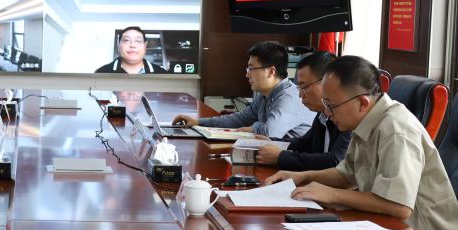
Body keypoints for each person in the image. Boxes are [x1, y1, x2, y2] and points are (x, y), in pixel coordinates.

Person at [265, 55, 458, 230]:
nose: (327, 113)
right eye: (325, 104)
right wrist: (301, 177)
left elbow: (399, 206)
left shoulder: (395, 130)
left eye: (331, 105)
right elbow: (346, 174)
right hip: (388, 226)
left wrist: (332, 195)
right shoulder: (366, 120)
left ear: (362, 103)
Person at [173, 41, 314, 140]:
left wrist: (253, 127)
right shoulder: (265, 95)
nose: (247, 74)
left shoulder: (288, 97)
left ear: (271, 71)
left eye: (251, 69)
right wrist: (198, 122)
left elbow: (270, 132)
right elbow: (239, 120)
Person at [255, 51, 349, 170]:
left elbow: (335, 162)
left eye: (303, 87)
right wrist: (271, 141)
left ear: (326, 83)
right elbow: (304, 144)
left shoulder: (346, 117)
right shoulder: (322, 116)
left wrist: (281, 157)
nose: (300, 95)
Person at [95, 26, 168, 74]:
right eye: (126, 40)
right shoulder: (102, 73)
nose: (132, 45)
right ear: (118, 45)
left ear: (145, 46)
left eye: (138, 41)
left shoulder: (162, 74)